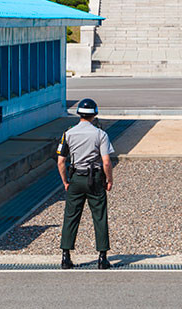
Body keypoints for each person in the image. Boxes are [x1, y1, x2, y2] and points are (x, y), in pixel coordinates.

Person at [57, 98, 114, 270]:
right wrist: (109, 179)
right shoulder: (100, 134)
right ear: (94, 114)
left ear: (79, 113)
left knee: (71, 216)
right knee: (99, 216)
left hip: (75, 177)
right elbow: (106, 162)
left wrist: (66, 181)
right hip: (95, 178)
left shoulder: (68, 133)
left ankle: (66, 256)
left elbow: (60, 161)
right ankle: (102, 257)